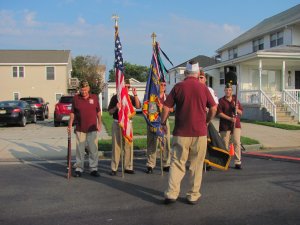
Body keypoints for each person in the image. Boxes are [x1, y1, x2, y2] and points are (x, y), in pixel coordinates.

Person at [161, 61, 217, 205]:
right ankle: (192, 195)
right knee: (196, 165)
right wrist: (207, 121)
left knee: (177, 163)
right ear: (198, 74)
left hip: (181, 132)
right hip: (199, 133)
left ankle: (172, 193)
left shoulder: (178, 87)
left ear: (185, 74)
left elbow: (166, 108)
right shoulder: (203, 88)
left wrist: (163, 122)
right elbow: (214, 108)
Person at [68, 80, 102, 178]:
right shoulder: (76, 98)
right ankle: (79, 168)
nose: (84, 92)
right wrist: (70, 124)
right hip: (80, 128)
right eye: (82, 90)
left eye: (86, 90)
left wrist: (99, 123)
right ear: (80, 89)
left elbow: (98, 112)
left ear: (89, 88)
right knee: (80, 150)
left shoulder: (94, 98)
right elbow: (72, 113)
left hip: (92, 128)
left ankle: (93, 169)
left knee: (93, 149)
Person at [108, 79, 141, 176]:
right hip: (117, 123)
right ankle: (114, 168)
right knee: (116, 146)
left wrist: (135, 95)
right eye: (125, 86)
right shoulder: (115, 98)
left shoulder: (130, 97)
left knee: (128, 145)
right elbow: (110, 112)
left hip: (128, 124)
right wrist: (116, 108)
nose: (127, 88)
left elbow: (138, 106)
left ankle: (128, 167)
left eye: (128, 87)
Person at [146, 81, 172, 174]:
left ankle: (166, 164)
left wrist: (164, 107)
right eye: (161, 84)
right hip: (153, 121)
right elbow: (147, 109)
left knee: (166, 143)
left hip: (164, 121)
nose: (163, 86)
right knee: (152, 143)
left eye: (165, 85)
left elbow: (172, 109)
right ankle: (150, 164)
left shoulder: (168, 97)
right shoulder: (152, 96)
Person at [217, 83, 243, 169]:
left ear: (232, 91)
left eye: (230, 90)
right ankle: (226, 162)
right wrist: (229, 118)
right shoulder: (221, 101)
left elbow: (241, 113)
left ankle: (237, 162)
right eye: (226, 90)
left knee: (236, 142)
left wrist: (236, 109)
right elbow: (219, 113)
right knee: (225, 144)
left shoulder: (235, 100)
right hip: (225, 126)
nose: (228, 91)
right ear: (224, 91)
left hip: (236, 125)